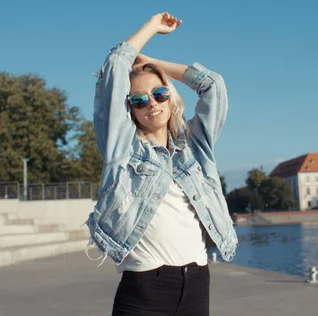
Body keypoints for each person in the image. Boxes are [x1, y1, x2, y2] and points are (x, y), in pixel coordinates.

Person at [85, 12, 239, 316]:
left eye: (159, 94)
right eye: (139, 100)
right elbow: (115, 67)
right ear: (130, 109)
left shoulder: (195, 145)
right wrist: (152, 28)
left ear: (170, 98)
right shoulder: (123, 147)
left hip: (196, 283)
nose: (151, 104)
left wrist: (154, 63)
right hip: (145, 288)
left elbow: (214, 86)